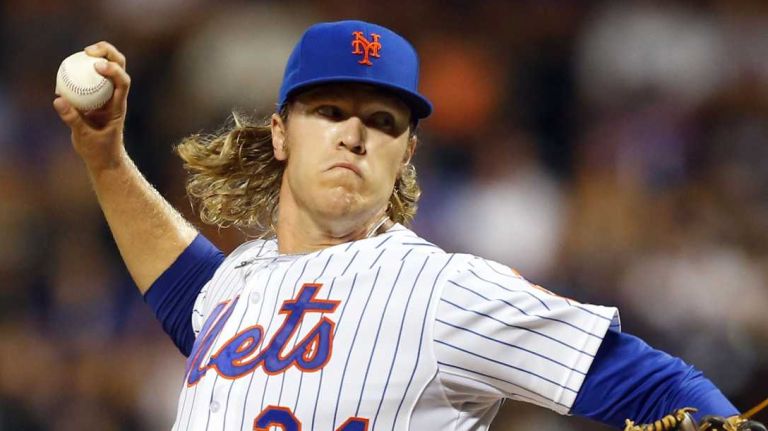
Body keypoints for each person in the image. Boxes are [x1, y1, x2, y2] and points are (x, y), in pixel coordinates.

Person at [53, 20, 765, 431]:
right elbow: (187, 290)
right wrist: (106, 158)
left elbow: (647, 379)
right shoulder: (237, 282)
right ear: (280, 133)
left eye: (382, 121)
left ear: (407, 153)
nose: (354, 135)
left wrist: (709, 414)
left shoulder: (441, 289)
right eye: (330, 112)